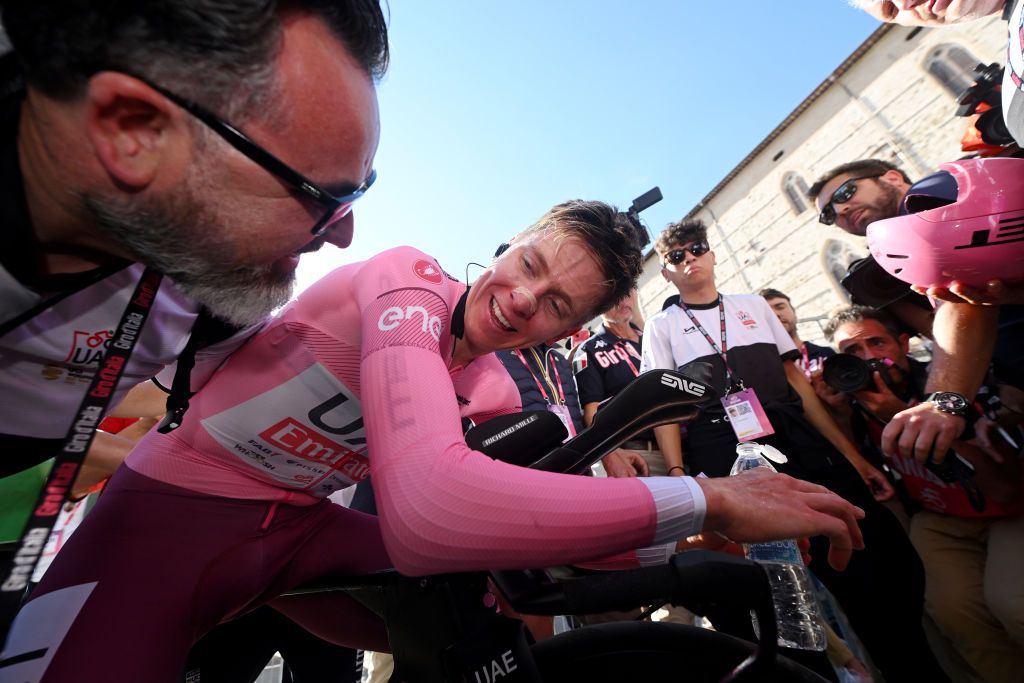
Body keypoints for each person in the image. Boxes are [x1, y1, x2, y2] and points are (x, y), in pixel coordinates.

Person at [0, 200, 867, 682]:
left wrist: (678, 533)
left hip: (297, 536)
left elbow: (517, 523)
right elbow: (428, 510)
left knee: (483, 604)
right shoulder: (405, 278)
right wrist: (704, 495)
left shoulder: (490, 383)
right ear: (510, 243)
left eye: (558, 304)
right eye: (529, 264)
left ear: (565, 331)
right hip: (165, 521)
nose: (526, 298)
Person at [0, 1, 387, 478]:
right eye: (329, 198)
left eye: (359, 193)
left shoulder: (214, 301)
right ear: (133, 131)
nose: (344, 235)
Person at [640, 219, 947, 682]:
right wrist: (681, 472)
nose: (689, 260)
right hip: (721, 449)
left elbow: (797, 385)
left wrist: (852, 458)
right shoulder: (663, 325)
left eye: (695, 249)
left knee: (866, 563)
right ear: (666, 273)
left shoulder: (752, 307)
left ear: (712, 254)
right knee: (776, 590)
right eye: (676, 257)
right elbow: (666, 410)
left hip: (789, 434)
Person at [823, 305, 1024, 683]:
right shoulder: (857, 407)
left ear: (902, 343)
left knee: (1011, 603)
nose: (868, 359)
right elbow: (864, 479)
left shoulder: (956, 384)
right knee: (953, 613)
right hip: (940, 517)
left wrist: (906, 414)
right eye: (852, 352)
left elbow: (1006, 484)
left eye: (876, 343)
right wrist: (839, 418)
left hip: (1006, 509)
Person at [574, 289, 657, 478]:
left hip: (684, 443)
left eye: (626, 292)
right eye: (613, 297)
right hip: (641, 454)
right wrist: (612, 453)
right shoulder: (588, 350)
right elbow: (591, 414)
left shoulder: (651, 337)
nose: (622, 301)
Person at [760, 288, 835, 379]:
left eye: (780, 307)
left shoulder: (826, 353)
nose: (775, 314)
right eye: (767, 312)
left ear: (794, 312)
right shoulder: (761, 370)